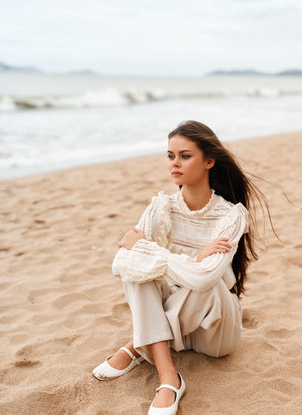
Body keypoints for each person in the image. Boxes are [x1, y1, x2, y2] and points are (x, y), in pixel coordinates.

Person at [92, 120, 269, 415]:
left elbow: (202, 280)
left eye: (185, 156)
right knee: (138, 273)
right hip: (178, 329)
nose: (175, 163)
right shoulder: (160, 207)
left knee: (199, 278)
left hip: (214, 331)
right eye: (170, 156)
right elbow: (120, 263)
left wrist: (149, 250)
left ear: (208, 161)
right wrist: (194, 260)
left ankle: (138, 345)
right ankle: (169, 378)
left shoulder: (231, 217)